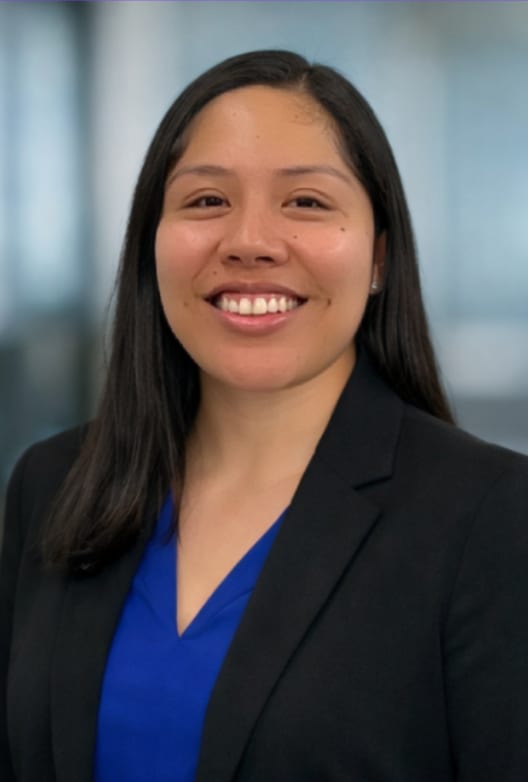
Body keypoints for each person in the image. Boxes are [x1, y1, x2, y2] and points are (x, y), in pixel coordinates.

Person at [1, 49, 527, 782]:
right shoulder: (53, 486)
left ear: (378, 258)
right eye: (206, 201)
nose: (249, 242)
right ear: (151, 245)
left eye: (307, 202)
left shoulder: (491, 516)